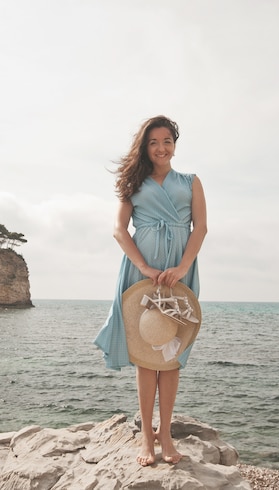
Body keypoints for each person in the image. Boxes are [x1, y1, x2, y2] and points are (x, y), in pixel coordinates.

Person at [94, 115, 207, 467]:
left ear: (175, 144)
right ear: (145, 146)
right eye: (154, 142)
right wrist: (144, 267)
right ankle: (146, 436)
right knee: (146, 353)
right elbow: (118, 229)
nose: (161, 148)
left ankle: (166, 434)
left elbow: (200, 228)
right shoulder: (134, 181)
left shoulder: (191, 182)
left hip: (179, 272)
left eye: (167, 141)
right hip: (141, 272)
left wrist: (183, 267)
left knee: (170, 355)